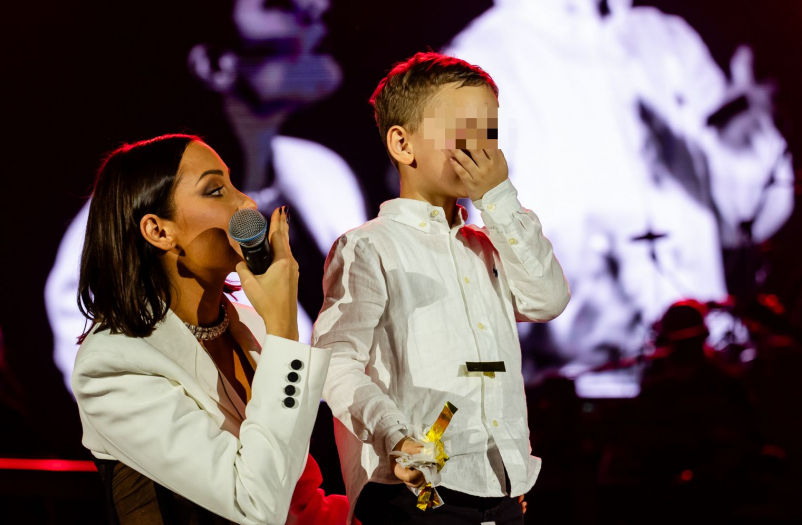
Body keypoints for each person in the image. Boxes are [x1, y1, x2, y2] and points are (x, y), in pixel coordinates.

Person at [444, 0, 795, 396]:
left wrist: (747, 151)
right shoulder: (479, 62)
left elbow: (746, 222)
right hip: (593, 400)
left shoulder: (665, 39)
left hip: (712, 377)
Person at [47, 0, 367, 394]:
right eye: (278, 4)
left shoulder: (323, 171)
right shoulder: (126, 212)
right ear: (215, 63)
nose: (314, 12)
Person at [314, 53, 570, 524]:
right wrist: (396, 434)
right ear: (402, 144)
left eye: (490, 132)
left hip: (502, 480)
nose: (481, 147)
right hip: (416, 487)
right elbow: (336, 363)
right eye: (463, 129)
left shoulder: (490, 243)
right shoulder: (370, 246)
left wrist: (497, 199)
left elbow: (548, 299)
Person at [71, 134, 338, 524]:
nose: (247, 203)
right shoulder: (113, 365)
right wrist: (283, 328)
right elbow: (257, 505)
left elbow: (300, 504)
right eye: (216, 191)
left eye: (232, 184)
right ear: (159, 231)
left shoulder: (247, 326)